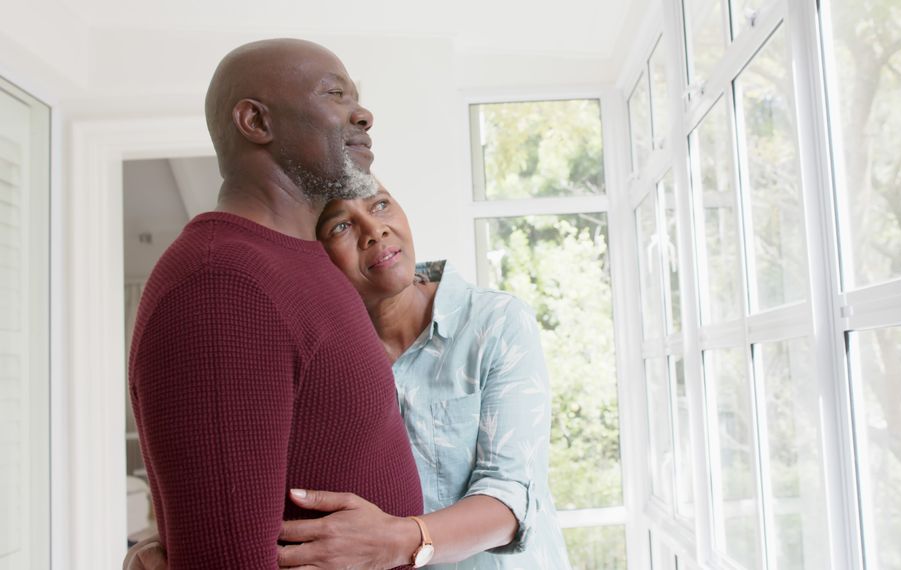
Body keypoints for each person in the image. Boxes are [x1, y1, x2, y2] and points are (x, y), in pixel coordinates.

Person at [128, 185, 574, 568]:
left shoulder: (495, 322)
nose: (373, 230)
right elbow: (245, 475)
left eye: (380, 205)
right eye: (341, 226)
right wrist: (155, 548)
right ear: (312, 257)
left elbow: (509, 500)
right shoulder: (316, 351)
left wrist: (397, 540)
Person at [126, 38, 424, 569]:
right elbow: (223, 559)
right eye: (335, 94)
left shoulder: (305, 262)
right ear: (255, 122)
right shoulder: (221, 284)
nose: (363, 114)